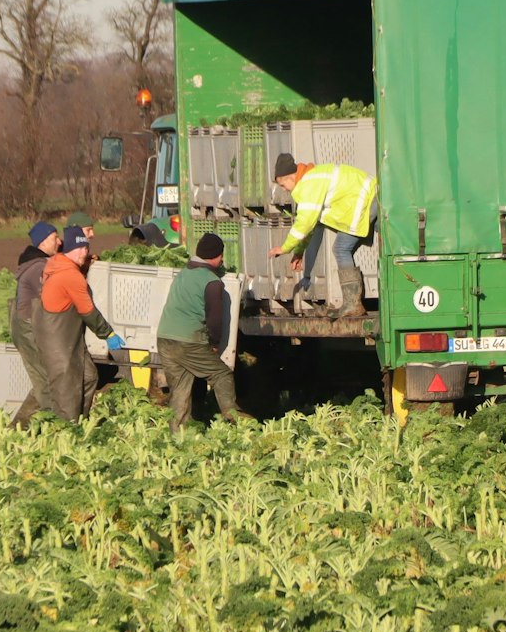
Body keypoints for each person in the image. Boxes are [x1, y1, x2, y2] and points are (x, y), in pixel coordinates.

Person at [267, 153, 378, 316]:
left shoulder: (309, 184)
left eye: (283, 185)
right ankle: (353, 303)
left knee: (341, 249)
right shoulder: (312, 178)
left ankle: (353, 304)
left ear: (290, 177)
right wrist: (299, 252)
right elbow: (313, 224)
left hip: (363, 201)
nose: (284, 190)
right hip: (369, 197)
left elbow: (304, 223)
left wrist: (285, 248)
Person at [34, 226, 126, 422]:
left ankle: (80, 421)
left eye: (86, 248)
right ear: (69, 250)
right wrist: (108, 334)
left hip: (70, 338)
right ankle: (66, 431)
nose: (85, 252)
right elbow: (87, 310)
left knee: (89, 376)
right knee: (66, 387)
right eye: (80, 248)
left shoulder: (59, 265)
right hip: (57, 340)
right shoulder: (70, 275)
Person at [155, 232, 243, 431]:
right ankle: (235, 423)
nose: (222, 260)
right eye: (221, 255)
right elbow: (214, 318)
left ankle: (177, 435)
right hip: (188, 341)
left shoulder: (184, 273)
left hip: (164, 339)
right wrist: (213, 343)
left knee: (180, 390)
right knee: (222, 375)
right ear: (216, 255)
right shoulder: (212, 282)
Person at [8, 221, 61, 427]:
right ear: (44, 240)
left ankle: (18, 428)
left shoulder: (38, 263)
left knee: (44, 379)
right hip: (28, 328)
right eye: (55, 237)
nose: (59, 241)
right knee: (46, 380)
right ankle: (48, 426)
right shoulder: (38, 268)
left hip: (30, 326)